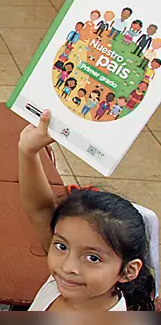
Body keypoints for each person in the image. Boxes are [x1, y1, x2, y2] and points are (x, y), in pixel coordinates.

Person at [19, 111, 158, 311]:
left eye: (93, 258)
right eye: (61, 246)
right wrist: (28, 151)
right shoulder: (72, 284)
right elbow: (39, 209)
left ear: (128, 271)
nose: (68, 267)